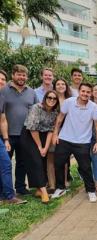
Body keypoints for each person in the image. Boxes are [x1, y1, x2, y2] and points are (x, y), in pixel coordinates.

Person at [51, 83, 97, 203]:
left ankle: (91, 190)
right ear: (79, 91)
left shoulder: (94, 107)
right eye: (83, 91)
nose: (85, 94)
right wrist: (55, 133)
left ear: (91, 93)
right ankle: (60, 188)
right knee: (58, 164)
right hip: (64, 139)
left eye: (88, 92)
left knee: (85, 168)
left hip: (83, 142)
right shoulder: (69, 102)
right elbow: (60, 117)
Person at [2, 64, 38, 195]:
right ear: (13, 75)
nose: (21, 77)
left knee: (22, 162)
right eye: (19, 74)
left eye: (24, 75)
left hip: (25, 134)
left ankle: (21, 187)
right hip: (7, 135)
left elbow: (36, 111)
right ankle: (4, 190)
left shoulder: (31, 92)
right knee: (5, 163)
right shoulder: (4, 90)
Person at [20, 91, 59, 204]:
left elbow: (51, 130)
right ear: (45, 98)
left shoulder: (54, 112)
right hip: (30, 136)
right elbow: (33, 128)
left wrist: (45, 148)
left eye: (54, 99)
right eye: (49, 97)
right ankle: (44, 193)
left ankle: (38, 190)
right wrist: (39, 146)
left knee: (41, 162)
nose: (51, 100)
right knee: (36, 161)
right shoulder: (36, 108)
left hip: (44, 136)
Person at [0, 71, 26, 204]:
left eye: (3, 79)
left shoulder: (1, 96)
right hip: (7, 135)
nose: (1, 81)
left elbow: (2, 119)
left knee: (7, 165)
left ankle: (8, 195)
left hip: (8, 137)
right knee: (5, 164)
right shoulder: (4, 93)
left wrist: (5, 140)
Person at [52, 79, 72, 190]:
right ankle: (53, 181)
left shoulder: (70, 99)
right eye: (58, 84)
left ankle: (66, 178)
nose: (60, 86)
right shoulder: (51, 98)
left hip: (68, 132)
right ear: (54, 86)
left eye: (63, 84)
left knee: (65, 158)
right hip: (54, 130)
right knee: (54, 157)